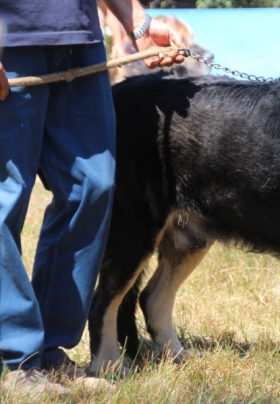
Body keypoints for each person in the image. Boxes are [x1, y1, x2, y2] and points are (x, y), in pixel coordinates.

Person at [0, 0, 183, 398]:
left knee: (93, 185)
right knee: (5, 200)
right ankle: (17, 357)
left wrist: (136, 21)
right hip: (9, 38)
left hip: (79, 37)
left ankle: (49, 347)